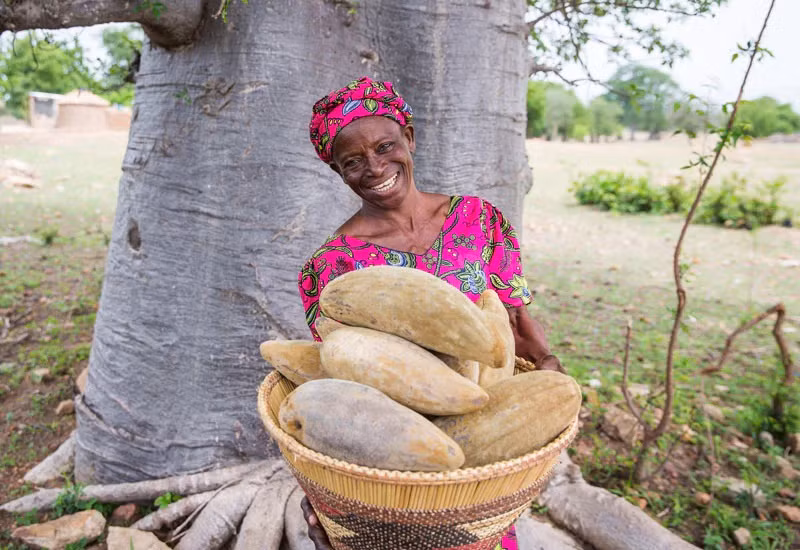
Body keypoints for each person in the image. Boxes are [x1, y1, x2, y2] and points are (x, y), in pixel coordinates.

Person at [296, 76, 562, 550]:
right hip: (397, 468)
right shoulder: (330, 267)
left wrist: (549, 374)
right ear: (339, 172)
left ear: (410, 139)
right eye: (353, 161)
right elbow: (344, 378)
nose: (375, 167)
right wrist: (328, 496)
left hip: (481, 463)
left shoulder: (479, 221)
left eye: (384, 146)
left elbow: (518, 322)